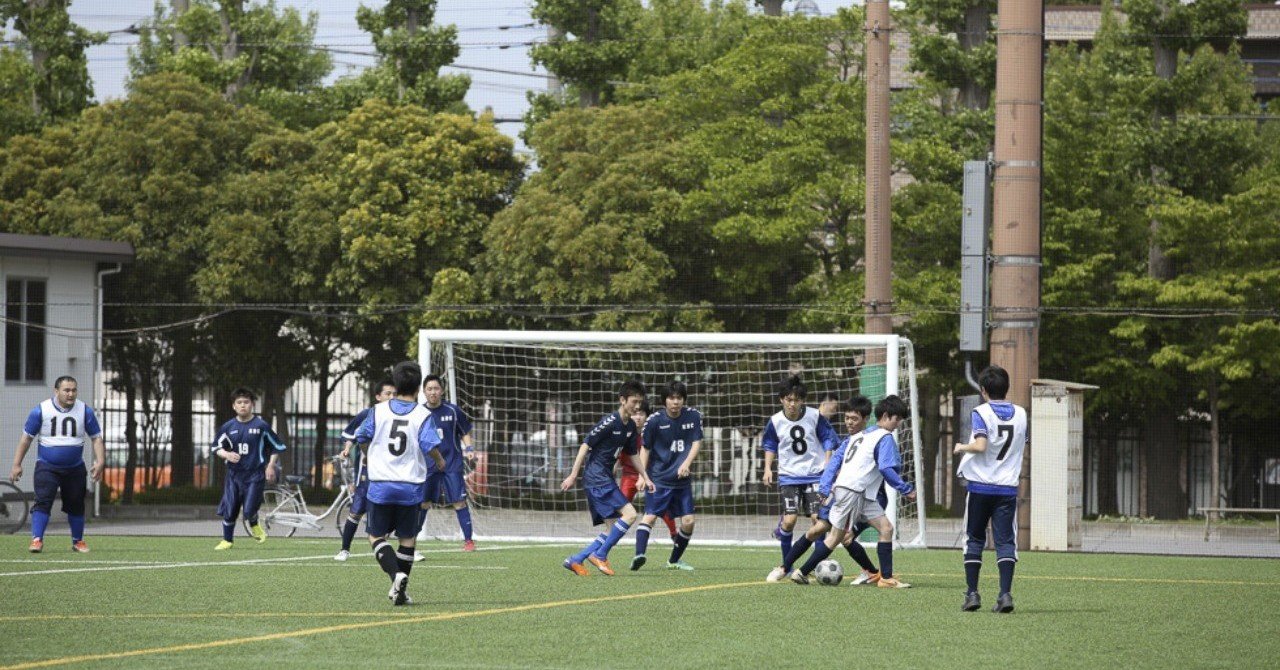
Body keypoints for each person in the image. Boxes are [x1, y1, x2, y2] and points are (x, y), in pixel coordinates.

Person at [790, 395, 916, 588]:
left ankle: (886, 578)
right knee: (835, 537)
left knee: (886, 529)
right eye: (897, 419)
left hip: (860, 494)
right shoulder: (884, 437)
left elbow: (833, 464)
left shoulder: (858, 436)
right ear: (886, 415)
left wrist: (825, 487)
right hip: (853, 492)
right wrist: (905, 489)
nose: (899, 424)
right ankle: (802, 572)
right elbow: (885, 468)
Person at [353, 361, 445, 606]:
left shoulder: (378, 410)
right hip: (410, 486)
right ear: (418, 389)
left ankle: (396, 576)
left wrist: (368, 453)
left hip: (381, 484)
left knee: (375, 536)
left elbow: (361, 437)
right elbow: (430, 446)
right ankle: (400, 591)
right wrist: (440, 460)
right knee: (407, 539)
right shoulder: (423, 414)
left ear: (395, 385)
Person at [771, 395, 882, 583]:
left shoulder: (873, 438)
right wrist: (824, 488)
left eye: (853, 418)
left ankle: (874, 572)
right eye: (846, 417)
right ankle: (785, 568)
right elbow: (833, 465)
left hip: (864, 497)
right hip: (843, 494)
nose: (848, 422)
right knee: (823, 530)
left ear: (866, 418)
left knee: (847, 534)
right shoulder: (848, 441)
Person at [954, 365, 1027, 613]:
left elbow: (981, 445)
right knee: (1006, 541)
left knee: (974, 538)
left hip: (980, 487)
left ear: (983, 390)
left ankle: (972, 594)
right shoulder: (1021, 414)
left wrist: (962, 446)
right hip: (1006, 489)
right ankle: (1005, 595)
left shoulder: (980, 411)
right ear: (1006, 388)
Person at [561, 379, 647, 577]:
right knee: (630, 514)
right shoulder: (609, 422)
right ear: (622, 400)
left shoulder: (630, 427)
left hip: (603, 478)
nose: (637, 406)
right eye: (634, 401)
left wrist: (646, 477)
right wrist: (573, 474)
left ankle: (576, 559)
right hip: (597, 478)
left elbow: (633, 454)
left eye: (639, 402)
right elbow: (585, 445)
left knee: (611, 529)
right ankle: (600, 555)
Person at [10, 376, 105, 553]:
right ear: (56, 391)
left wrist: (100, 462)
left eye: (74, 390)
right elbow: (26, 439)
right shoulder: (41, 410)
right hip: (47, 466)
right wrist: (17, 464)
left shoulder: (85, 411)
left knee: (76, 504)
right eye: (66, 390)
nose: (71, 394)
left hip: (75, 467)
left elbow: (96, 438)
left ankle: (78, 541)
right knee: (43, 502)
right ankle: (37, 539)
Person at [761, 375, 839, 582]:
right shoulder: (776, 421)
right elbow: (770, 445)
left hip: (815, 475)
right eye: (788, 399)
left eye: (796, 399)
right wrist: (768, 468)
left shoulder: (815, 416)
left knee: (818, 521)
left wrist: (828, 466)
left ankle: (814, 565)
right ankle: (787, 565)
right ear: (781, 400)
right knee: (789, 521)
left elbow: (829, 440)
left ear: (802, 400)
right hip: (789, 476)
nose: (792, 404)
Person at [631, 381, 702, 571]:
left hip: (681, 482)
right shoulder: (654, 421)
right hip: (659, 479)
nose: (675, 402)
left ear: (684, 400)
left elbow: (696, 442)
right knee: (650, 517)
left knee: (688, 522)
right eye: (671, 398)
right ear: (665, 401)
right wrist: (642, 477)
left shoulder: (693, 416)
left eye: (679, 398)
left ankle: (673, 561)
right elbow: (645, 450)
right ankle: (639, 555)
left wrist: (686, 464)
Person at [211, 388, 285, 550]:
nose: (243, 405)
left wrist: (271, 465)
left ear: (252, 405)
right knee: (230, 509)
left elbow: (276, 446)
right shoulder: (228, 427)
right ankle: (227, 540)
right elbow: (216, 447)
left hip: (255, 475)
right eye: (239, 402)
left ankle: (254, 522)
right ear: (234, 406)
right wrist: (226, 454)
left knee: (249, 509)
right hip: (234, 475)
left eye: (246, 402)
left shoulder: (261, 426)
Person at [415, 374, 479, 558]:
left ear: (441, 390)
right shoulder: (419, 413)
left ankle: (468, 541)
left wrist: (469, 448)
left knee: (458, 502)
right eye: (429, 389)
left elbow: (464, 431)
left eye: (436, 388)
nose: (433, 392)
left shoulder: (452, 410)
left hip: (452, 464)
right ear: (424, 391)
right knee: (424, 503)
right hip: (428, 466)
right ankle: (412, 540)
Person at [335, 379, 396, 561]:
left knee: (394, 509)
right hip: (367, 472)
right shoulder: (368, 414)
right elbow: (351, 435)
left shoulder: (398, 416)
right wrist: (347, 449)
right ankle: (344, 549)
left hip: (390, 472)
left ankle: (400, 546)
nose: (391, 397)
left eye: (394, 394)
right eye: (388, 394)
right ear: (378, 397)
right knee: (357, 509)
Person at [619, 400, 677, 539]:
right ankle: (612, 534)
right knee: (620, 506)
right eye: (634, 414)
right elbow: (617, 453)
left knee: (662, 507)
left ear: (647, 416)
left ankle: (675, 534)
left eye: (641, 414)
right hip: (629, 475)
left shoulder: (654, 432)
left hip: (651, 476)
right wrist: (612, 468)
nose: (638, 417)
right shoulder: (623, 431)